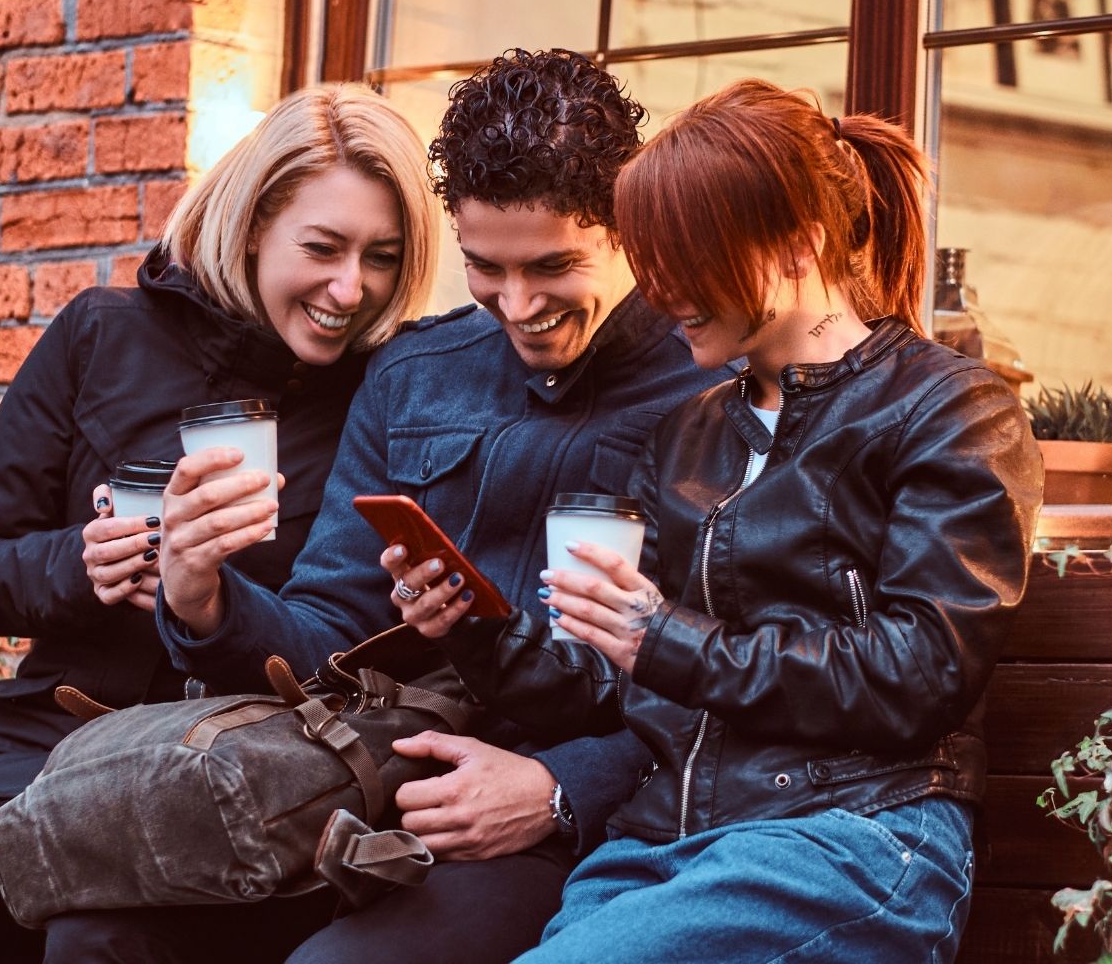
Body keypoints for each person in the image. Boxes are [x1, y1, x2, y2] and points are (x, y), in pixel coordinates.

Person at [40, 48, 729, 963]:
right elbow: (331, 626)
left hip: (567, 828)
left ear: (628, 229)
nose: (518, 307)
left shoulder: (715, 388)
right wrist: (201, 596)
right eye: (486, 269)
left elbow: (735, 676)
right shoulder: (413, 376)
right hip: (366, 786)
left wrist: (558, 788)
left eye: (553, 267)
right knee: (100, 936)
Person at [398, 79, 1044, 963]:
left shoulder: (949, 410)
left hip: (849, 837)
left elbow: (920, 671)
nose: (661, 292)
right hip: (659, 845)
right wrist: (475, 628)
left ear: (796, 246)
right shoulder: (689, 433)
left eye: (684, 259)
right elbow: (616, 683)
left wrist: (663, 637)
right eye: (651, 258)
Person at [0, 84, 439, 964]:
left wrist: (206, 596)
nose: (350, 287)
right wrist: (80, 566)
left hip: (239, 762)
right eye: (322, 247)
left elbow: (344, 632)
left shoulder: (382, 394)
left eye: (382, 257)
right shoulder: (102, 335)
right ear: (251, 226)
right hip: (50, 731)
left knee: (94, 931)